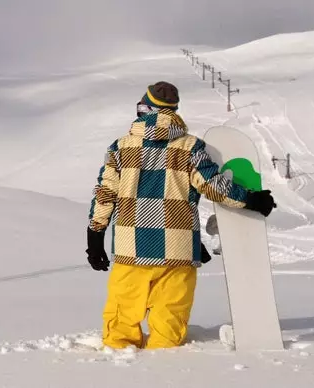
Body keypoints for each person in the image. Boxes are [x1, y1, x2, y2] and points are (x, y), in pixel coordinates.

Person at [86, 81, 276, 350]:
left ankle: (119, 363)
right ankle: (167, 367)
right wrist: (251, 199)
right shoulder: (191, 147)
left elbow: (105, 195)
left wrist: (95, 238)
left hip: (131, 249)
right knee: (170, 318)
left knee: (122, 315)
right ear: (173, 111)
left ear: (144, 109)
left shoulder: (120, 148)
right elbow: (213, 187)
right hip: (178, 250)